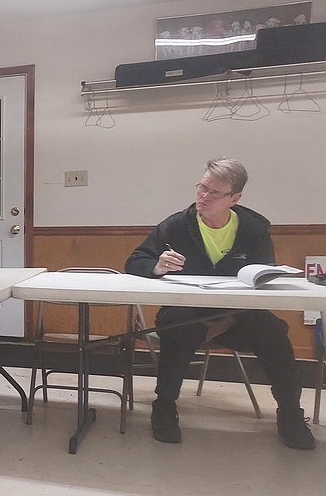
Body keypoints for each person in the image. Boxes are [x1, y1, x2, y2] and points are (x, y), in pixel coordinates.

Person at [125, 158, 314, 450]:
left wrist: (226, 318)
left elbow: (263, 276)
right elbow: (135, 261)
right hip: (186, 313)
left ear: (234, 198)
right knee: (177, 330)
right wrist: (157, 266)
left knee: (275, 332)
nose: (203, 196)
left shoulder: (254, 228)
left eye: (214, 192)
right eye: (202, 187)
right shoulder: (176, 225)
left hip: (238, 315)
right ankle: (164, 407)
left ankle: (290, 414)